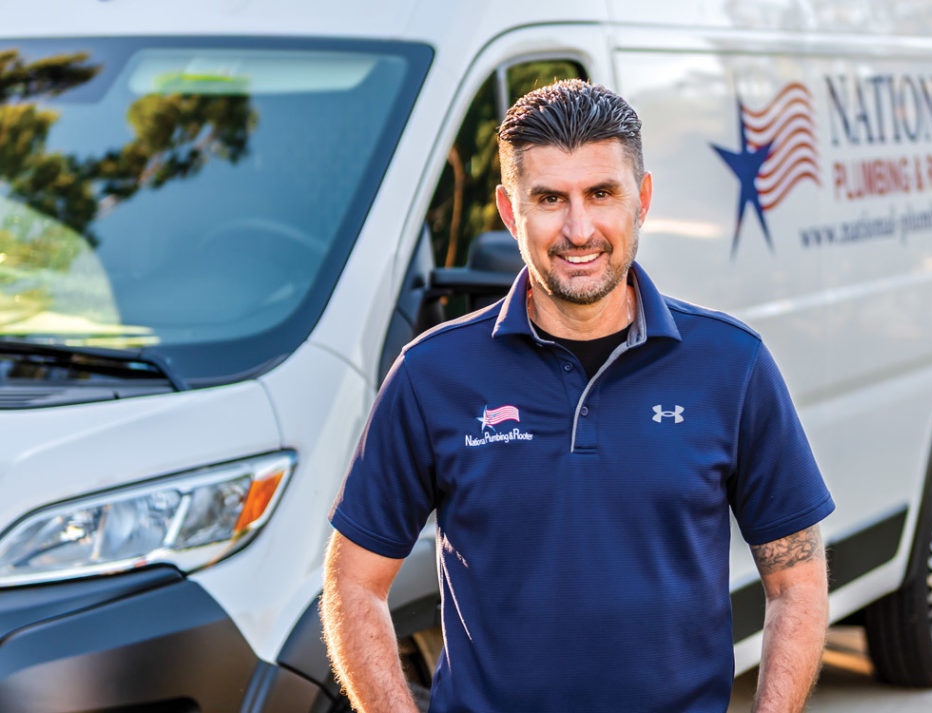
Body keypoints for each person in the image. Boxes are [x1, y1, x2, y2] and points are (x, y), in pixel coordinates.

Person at [321, 79, 834, 713]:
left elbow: (797, 582)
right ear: (511, 213)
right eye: (549, 198)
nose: (579, 228)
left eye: (600, 193)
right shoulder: (432, 375)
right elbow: (353, 585)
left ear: (640, 200)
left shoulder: (731, 364)